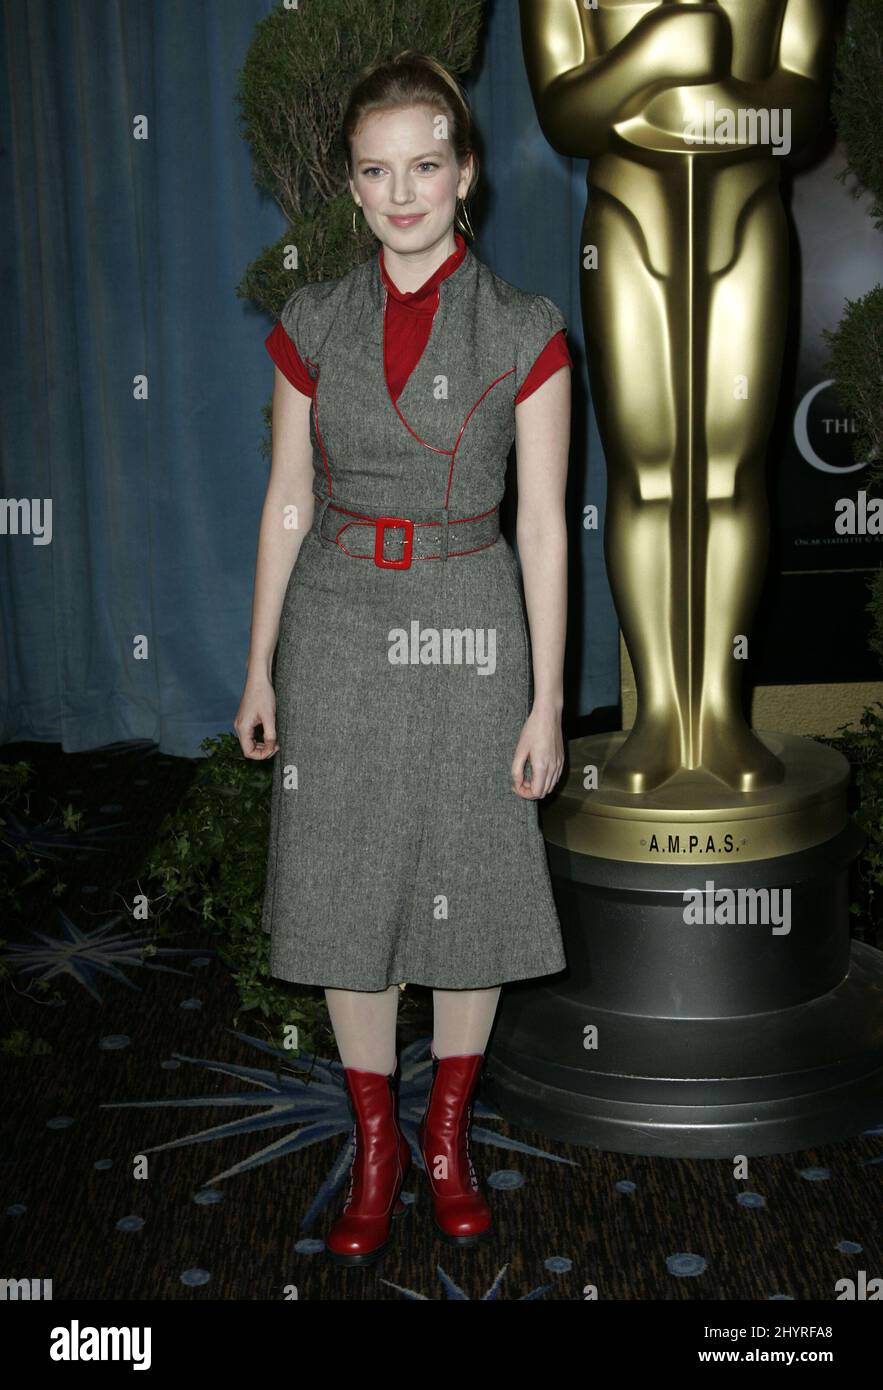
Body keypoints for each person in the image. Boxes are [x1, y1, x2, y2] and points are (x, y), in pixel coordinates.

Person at [235, 49, 572, 1267]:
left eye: (425, 164)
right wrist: (261, 665)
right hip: (336, 618)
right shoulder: (310, 323)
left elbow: (541, 524)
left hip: (473, 614)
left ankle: (445, 1136)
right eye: (377, 171)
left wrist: (545, 699)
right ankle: (375, 1145)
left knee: (472, 878)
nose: (402, 191)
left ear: (464, 171)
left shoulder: (528, 332)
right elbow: (283, 499)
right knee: (346, 880)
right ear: (353, 186)